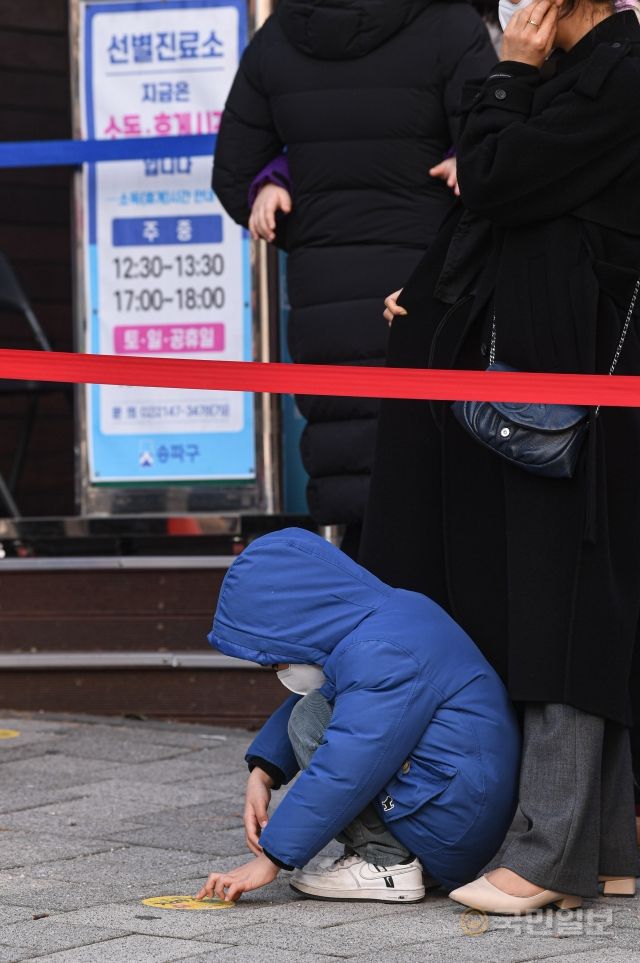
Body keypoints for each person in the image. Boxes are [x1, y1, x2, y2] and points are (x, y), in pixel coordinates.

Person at [366, 0, 640, 914]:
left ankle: (548, 855)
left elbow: (493, 177)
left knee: (564, 606)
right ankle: (604, 846)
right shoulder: (590, 74)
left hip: (577, 381)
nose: (514, 13)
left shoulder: (619, 73)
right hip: (550, 376)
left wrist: (510, 75)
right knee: (563, 595)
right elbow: (501, 208)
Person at [212, 0, 497, 555]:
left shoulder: (280, 36)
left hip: (325, 288)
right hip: (428, 279)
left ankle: (358, 602)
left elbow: (235, 172)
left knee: (347, 458)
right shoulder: (450, 25)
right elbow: (496, 149)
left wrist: (302, 213)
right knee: (434, 460)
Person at [195, 528, 520, 903]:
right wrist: (263, 772)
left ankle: (388, 864)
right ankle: (408, 856)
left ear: (296, 623)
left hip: (450, 824)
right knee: (314, 711)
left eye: (275, 660)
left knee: (310, 719)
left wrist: (272, 858)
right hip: (457, 806)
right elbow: (339, 693)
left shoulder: (382, 650)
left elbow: (348, 765)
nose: (279, 670)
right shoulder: (389, 617)